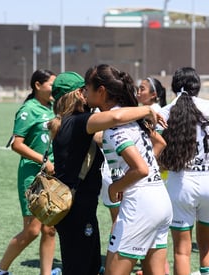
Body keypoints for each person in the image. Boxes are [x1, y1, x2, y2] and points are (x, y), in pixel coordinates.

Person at [48, 71, 162, 275]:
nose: (87, 92)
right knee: (79, 269)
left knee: (89, 267)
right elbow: (116, 116)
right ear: (77, 95)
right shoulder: (78, 122)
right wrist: (146, 109)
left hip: (81, 208)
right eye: (84, 89)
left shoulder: (70, 122)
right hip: (77, 209)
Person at [84, 64, 172, 275]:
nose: (85, 93)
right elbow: (159, 144)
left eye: (87, 87)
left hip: (140, 205)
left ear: (102, 91)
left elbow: (140, 169)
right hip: (160, 199)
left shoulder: (115, 127)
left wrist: (116, 187)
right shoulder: (134, 119)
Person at [157, 67, 209, 275]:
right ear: (197, 86)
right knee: (207, 246)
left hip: (181, 183)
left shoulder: (166, 111)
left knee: (182, 251)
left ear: (174, 87)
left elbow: (154, 148)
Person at [0, 69, 57, 275]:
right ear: (37, 85)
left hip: (54, 176)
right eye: (51, 84)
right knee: (32, 230)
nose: (55, 88)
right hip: (33, 175)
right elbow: (17, 144)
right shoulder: (28, 109)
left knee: (50, 229)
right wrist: (42, 160)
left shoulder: (55, 107)